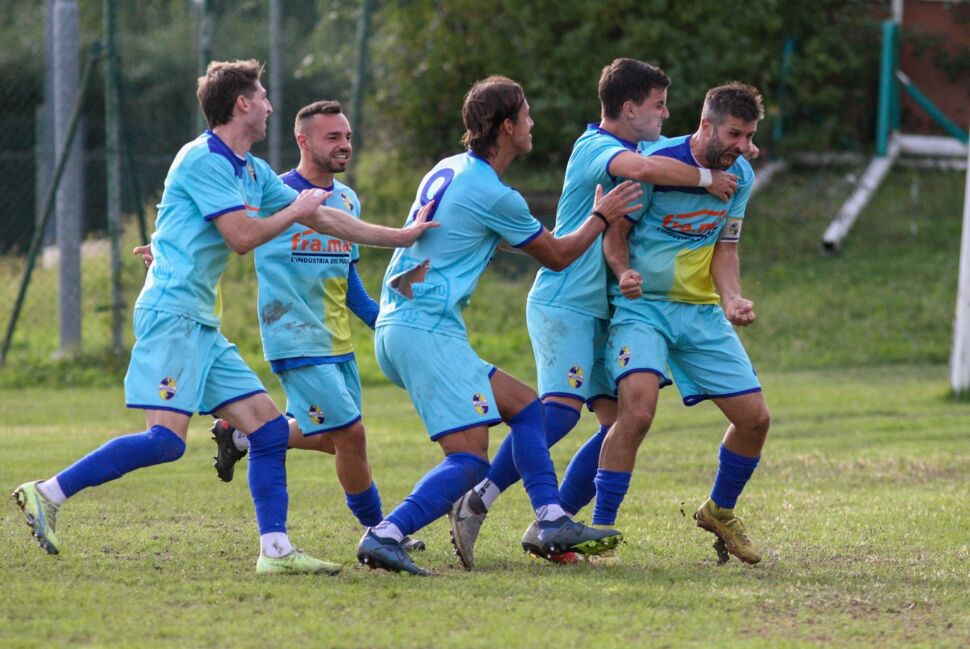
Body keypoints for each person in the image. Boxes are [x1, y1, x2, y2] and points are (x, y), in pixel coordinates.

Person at [11, 60, 435, 575]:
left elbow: (325, 216)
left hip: (201, 323)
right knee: (166, 442)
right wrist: (295, 212)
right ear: (242, 105)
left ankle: (275, 552)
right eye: (262, 97)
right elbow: (242, 238)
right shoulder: (203, 159)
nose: (269, 107)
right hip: (172, 315)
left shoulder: (252, 171)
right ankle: (48, 492)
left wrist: (399, 236)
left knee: (270, 430)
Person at [447, 58, 739, 568]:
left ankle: (553, 528)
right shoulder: (597, 148)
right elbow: (648, 170)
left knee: (621, 422)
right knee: (556, 413)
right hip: (566, 303)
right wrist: (706, 176)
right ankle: (478, 500)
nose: (667, 115)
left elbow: (669, 156)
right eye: (658, 105)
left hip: (607, 312)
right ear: (629, 109)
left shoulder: (641, 146)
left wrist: (739, 150)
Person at [355, 76, 644, 575]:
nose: (533, 124)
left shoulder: (451, 169)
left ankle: (551, 517)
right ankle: (386, 534)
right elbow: (556, 257)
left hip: (402, 324)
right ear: (508, 126)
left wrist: (569, 229)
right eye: (527, 116)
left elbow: (499, 237)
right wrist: (601, 215)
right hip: (424, 329)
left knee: (526, 407)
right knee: (467, 460)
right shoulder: (493, 191)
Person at [206, 99, 422, 552]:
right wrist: (165, 251)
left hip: (338, 345)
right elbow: (224, 229)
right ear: (303, 141)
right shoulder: (273, 192)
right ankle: (381, 531)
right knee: (353, 436)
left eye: (347, 136)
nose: (344, 145)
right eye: (333, 137)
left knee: (334, 442)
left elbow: (353, 289)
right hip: (293, 339)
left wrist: (395, 327)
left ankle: (243, 432)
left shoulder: (346, 200)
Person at [597, 81, 769, 564]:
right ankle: (600, 529)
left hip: (700, 311)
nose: (742, 146)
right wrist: (623, 272)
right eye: (734, 134)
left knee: (755, 420)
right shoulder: (657, 164)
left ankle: (719, 509)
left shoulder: (742, 177)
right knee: (639, 411)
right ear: (707, 125)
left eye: (749, 135)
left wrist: (733, 299)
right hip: (643, 308)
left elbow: (726, 247)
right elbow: (617, 233)